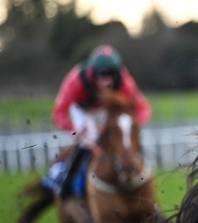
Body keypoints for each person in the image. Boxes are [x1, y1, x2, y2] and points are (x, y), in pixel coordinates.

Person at [41, 44, 151, 197]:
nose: (105, 80)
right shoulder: (76, 80)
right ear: (93, 71)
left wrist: (131, 126)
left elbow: (143, 108)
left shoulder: (125, 81)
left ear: (117, 72)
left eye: (110, 74)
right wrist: (75, 131)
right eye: (101, 74)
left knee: (121, 139)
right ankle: (63, 179)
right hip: (82, 111)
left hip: (106, 111)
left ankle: (138, 176)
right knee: (88, 141)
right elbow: (58, 112)